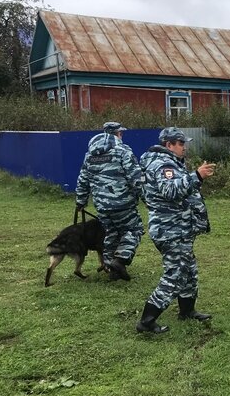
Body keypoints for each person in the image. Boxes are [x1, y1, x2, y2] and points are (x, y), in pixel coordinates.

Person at [136, 127, 216, 334]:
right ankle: (146, 320)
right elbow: (170, 191)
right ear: (168, 145)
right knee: (175, 275)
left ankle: (187, 311)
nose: (184, 147)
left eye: (184, 143)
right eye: (180, 144)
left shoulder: (166, 162)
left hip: (178, 227)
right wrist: (196, 175)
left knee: (189, 271)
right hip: (170, 229)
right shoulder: (162, 164)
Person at [75, 122, 144, 281]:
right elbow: (137, 178)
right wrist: (148, 198)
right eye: (121, 133)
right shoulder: (123, 152)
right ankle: (120, 260)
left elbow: (83, 180)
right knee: (133, 230)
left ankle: (111, 268)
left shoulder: (90, 154)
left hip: (102, 205)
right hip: (123, 203)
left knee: (111, 234)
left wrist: (81, 201)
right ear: (118, 134)